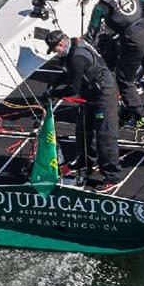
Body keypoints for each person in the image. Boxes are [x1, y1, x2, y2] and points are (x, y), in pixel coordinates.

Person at [45, 29, 122, 190]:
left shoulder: (76, 56)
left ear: (61, 44)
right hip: (90, 92)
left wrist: (53, 93)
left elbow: (73, 88)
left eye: (55, 49)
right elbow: (69, 72)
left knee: (105, 136)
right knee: (83, 130)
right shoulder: (72, 47)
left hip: (104, 93)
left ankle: (112, 177)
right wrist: (53, 83)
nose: (55, 53)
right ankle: (86, 164)